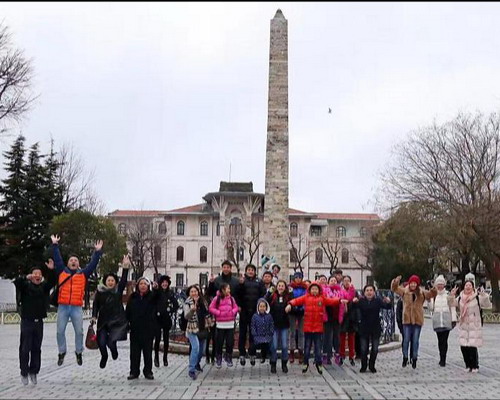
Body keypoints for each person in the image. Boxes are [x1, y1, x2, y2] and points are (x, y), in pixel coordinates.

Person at [51, 234, 103, 366]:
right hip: (63, 306)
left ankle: (79, 352)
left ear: (78, 263)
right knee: (59, 331)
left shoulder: (83, 274)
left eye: (76, 260)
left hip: (76, 307)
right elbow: (57, 260)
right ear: (68, 263)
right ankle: (62, 352)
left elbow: (93, 264)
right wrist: (55, 245)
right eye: (71, 260)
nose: (73, 262)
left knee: (79, 331)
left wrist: (97, 252)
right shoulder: (62, 272)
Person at [13, 259, 56, 385]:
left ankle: (34, 372)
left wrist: (51, 270)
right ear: (31, 276)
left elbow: (53, 281)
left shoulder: (43, 287)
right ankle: (24, 372)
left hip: (39, 322)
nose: (37, 275)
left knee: (36, 348)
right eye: (35, 273)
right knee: (25, 348)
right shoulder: (25, 286)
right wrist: (26, 277)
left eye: (39, 273)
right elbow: (17, 282)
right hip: (27, 321)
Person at [286, 282, 340, 374]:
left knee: (318, 348)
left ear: (319, 290)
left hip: (318, 329)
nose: (314, 290)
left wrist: (340, 300)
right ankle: (305, 363)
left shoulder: (322, 298)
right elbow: (297, 301)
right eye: (313, 289)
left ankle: (319, 363)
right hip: (308, 328)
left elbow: (331, 301)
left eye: (316, 289)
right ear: (309, 290)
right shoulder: (306, 297)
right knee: (307, 347)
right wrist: (290, 304)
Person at [91, 255, 130, 369]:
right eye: (108, 280)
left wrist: (125, 267)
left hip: (116, 321)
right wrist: (94, 316)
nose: (111, 282)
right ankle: (104, 356)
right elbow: (95, 305)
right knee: (102, 343)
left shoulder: (118, 291)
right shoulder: (100, 292)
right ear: (105, 281)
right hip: (103, 322)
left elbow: (123, 280)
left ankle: (114, 351)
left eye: (112, 280)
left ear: (115, 282)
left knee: (111, 342)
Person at [391, 274, 437, 369]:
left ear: (417, 284)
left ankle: (414, 358)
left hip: (417, 319)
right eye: (411, 283)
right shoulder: (404, 291)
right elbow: (395, 289)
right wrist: (396, 281)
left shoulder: (422, 293)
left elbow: (432, 294)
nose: (413, 285)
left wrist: (433, 287)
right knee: (406, 340)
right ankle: (405, 357)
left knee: (415, 340)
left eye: (415, 283)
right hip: (407, 319)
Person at [449, 273, 492, 372]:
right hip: (463, 325)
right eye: (466, 285)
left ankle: (475, 366)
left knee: (472, 346)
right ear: (463, 287)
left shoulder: (477, 297)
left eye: (470, 285)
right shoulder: (460, 297)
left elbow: (487, 305)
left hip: (474, 324)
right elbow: (452, 304)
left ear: (473, 287)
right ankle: (467, 365)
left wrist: (484, 294)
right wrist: (452, 295)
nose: (468, 287)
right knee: (464, 346)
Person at [126, 277, 159, 380]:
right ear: (138, 286)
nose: (143, 286)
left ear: (148, 286)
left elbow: (159, 298)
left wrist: (156, 289)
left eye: (145, 284)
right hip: (135, 329)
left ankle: (148, 371)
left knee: (147, 352)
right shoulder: (133, 297)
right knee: (134, 353)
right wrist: (127, 323)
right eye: (141, 284)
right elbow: (128, 311)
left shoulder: (151, 296)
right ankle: (134, 372)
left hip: (148, 329)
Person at [354, 285, 392, 373]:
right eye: (367, 290)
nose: (369, 292)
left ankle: (372, 365)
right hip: (364, 328)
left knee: (375, 349)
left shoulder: (377, 301)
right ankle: (364, 365)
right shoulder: (361, 301)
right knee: (363, 349)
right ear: (364, 292)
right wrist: (354, 302)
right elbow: (353, 308)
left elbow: (387, 307)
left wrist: (389, 302)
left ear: (374, 292)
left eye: (371, 290)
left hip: (375, 328)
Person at [237, 264, 266, 366]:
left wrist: (261, 308)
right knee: (242, 333)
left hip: (255, 312)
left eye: (252, 270)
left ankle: (252, 353)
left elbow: (263, 295)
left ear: (254, 271)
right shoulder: (242, 282)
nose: (250, 271)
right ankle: (242, 353)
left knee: (254, 334)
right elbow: (238, 295)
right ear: (246, 271)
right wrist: (240, 285)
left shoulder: (259, 282)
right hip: (244, 311)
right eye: (248, 270)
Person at [209, 283, 239, 368]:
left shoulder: (231, 299)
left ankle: (228, 356)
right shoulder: (216, 298)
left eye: (229, 289)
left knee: (230, 342)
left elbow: (236, 307)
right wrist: (218, 313)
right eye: (227, 288)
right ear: (222, 290)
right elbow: (211, 308)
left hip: (230, 324)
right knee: (219, 342)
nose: (229, 290)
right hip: (220, 324)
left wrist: (232, 312)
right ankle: (218, 358)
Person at [184, 285, 210, 380]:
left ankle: (196, 364)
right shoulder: (187, 303)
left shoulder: (203, 301)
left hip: (202, 327)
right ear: (189, 293)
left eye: (195, 291)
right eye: (192, 291)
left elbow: (207, 312)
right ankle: (191, 369)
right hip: (192, 328)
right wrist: (192, 310)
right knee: (195, 347)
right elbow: (186, 316)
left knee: (201, 350)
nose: (194, 293)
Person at [429, 275, 456, 367]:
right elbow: (431, 308)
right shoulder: (434, 296)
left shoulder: (448, 295)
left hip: (446, 320)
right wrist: (429, 300)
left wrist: (453, 319)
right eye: (438, 284)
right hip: (437, 320)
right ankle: (441, 357)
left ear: (444, 285)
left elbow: (452, 307)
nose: (440, 286)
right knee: (440, 341)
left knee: (445, 340)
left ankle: (443, 359)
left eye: (441, 284)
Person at [266, 280, 292, 373]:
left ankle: (284, 363)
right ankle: (273, 363)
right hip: (274, 324)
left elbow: (293, 303)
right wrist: (269, 292)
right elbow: (265, 301)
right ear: (277, 287)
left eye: (282, 286)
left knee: (285, 346)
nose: (281, 287)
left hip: (284, 324)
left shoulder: (288, 296)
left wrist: (290, 304)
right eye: (279, 285)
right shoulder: (273, 296)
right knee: (274, 346)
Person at [154, 274, 178, 367]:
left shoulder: (170, 293)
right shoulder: (157, 292)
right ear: (160, 283)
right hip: (157, 318)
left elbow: (176, 305)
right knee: (157, 339)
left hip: (166, 319)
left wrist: (170, 311)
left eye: (166, 283)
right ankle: (156, 358)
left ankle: (165, 358)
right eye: (163, 282)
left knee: (166, 339)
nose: (164, 284)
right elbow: (152, 300)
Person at [324, 276, 344, 365]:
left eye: (335, 280)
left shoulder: (340, 291)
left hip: (336, 317)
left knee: (336, 337)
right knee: (327, 337)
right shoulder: (325, 291)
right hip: (327, 317)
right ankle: (327, 355)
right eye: (331, 280)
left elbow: (346, 298)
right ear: (328, 282)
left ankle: (337, 354)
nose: (333, 282)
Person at [339, 275, 358, 366]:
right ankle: (341, 355)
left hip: (351, 317)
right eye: (345, 280)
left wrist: (355, 300)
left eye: (348, 280)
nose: (346, 282)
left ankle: (351, 356)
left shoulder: (354, 292)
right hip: (343, 317)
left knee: (351, 338)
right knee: (342, 337)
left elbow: (358, 302)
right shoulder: (340, 291)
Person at [288, 271, 307, 364]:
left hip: (302, 312)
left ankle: (301, 351)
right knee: (292, 332)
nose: (298, 279)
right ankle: (291, 351)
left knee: (301, 332)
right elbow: (288, 298)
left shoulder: (305, 288)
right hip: (292, 311)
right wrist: (292, 306)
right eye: (296, 278)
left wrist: (302, 307)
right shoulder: (290, 287)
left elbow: (306, 299)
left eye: (300, 277)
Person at [250, 298, 274, 366]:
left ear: (266, 307)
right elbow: (253, 326)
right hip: (257, 335)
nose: (262, 308)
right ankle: (252, 356)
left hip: (267, 335)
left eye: (264, 306)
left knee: (266, 345)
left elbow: (272, 325)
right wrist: (254, 334)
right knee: (253, 345)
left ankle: (265, 356)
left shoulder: (269, 316)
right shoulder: (255, 316)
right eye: (260, 306)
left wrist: (270, 333)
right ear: (258, 307)